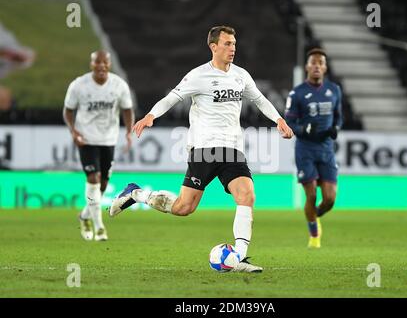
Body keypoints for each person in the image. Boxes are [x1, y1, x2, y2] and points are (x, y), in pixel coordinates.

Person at [108, 25, 293, 272]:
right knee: (184, 208)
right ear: (213, 46)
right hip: (204, 148)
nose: (232, 48)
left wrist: (278, 119)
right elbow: (172, 97)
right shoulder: (198, 76)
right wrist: (151, 115)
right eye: (227, 44)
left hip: (231, 149)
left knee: (247, 195)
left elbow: (259, 99)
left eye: (234, 44)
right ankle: (136, 193)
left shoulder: (241, 75)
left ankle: (238, 257)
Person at [63, 50, 135, 241]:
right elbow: (68, 111)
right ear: (91, 64)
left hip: (109, 139)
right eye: (98, 62)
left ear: (109, 64)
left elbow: (127, 109)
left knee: (102, 185)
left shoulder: (119, 85)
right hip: (86, 139)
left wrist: (129, 131)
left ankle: (85, 216)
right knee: (93, 179)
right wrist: (73, 131)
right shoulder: (79, 85)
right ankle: (99, 227)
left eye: (105, 62)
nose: (101, 66)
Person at [285, 48, 342, 249]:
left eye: (321, 62)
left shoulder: (334, 90)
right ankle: (314, 235)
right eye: (313, 62)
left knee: (329, 200)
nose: (317, 65)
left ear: (325, 67)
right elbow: (288, 122)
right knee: (311, 195)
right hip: (305, 150)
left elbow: (338, 117)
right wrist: (304, 129)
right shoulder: (297, 93)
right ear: (308, 67)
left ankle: (313, 215)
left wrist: (336, 128)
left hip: (326, 149)